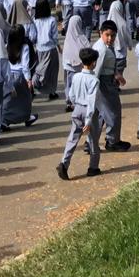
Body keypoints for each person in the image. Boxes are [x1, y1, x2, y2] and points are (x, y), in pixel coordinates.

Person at [56, 47, 102, 180]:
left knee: (72, 138)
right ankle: (93, 167)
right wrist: (88, 120)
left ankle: (64, 163)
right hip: (88, 111)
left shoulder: (76, 77)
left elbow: (71, 95)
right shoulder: (94, 80)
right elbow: (92, 102)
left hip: (77, 109)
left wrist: (76, 105)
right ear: (94, 63)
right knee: (93, 140)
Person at [93, 22, 130, 151]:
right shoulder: (101, 50)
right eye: (107, 35)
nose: (110, 38)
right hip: (103, 83)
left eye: (113, 35)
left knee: (100, 113)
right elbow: (96, 71)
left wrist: (116, 74)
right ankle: (112, 141)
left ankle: (91, 142)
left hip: (106, 80)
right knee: (113, 111)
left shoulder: (105, 46)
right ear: (100, 33)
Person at [2, 26, 37, 129]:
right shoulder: (24, 46)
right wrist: (28, 79)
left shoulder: (6, 46)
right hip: (20, 77)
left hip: (8, 76)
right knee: (25, 100)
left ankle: (4, 120)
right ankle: (27, 118)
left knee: (8, 101)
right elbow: (25, 66)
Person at [31, 0, 60, 99]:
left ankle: (34, 83)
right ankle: (51, 92)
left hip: (39, 49)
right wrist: (58, 46)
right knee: (52, 72)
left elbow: (33, 37)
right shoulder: (52, 20)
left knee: (40, 69)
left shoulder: (35, 21)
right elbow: (55, 37)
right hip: (50, 49)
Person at [61, 15, 90, 109]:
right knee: (78, 86)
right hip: (80, 68)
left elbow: (65, 55)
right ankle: (76, 102)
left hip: (68, 67)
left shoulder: (67, 38)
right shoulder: (83, 38)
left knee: (69, 85)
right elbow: (88, 51)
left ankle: (69, 102)